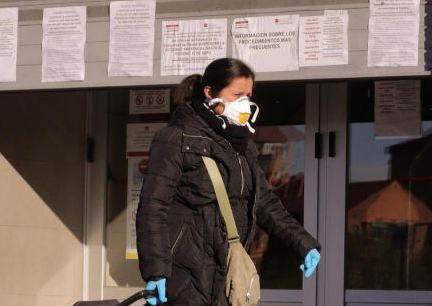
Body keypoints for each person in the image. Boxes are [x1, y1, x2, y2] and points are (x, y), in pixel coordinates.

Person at [136, 58, 321, 305]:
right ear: (209, 93)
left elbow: (263, 201)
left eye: (249, 95)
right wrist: (156, 269)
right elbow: (152, 207)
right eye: (237, 95)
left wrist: (303, 243)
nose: (245, 103)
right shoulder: (176, 139)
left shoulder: (241, 145)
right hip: (184, 276)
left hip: (227, 271)